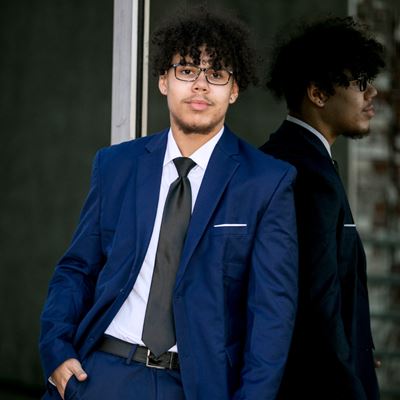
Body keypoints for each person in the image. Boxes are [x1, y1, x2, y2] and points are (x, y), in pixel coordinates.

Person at [40, 10, 298, 400]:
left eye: (216, 74)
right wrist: (57, 351)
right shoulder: (115, 165)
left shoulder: (267, 181)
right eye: (187, 70)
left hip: (196, 387)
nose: (200, 85)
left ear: (234, 89)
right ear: (164, 80)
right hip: (102, 373)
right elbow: (76, 269)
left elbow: (272, 313)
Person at [260, 16, 385, 400]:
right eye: (360, 83)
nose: (372, 93)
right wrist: (350, 383)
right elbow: (317, 309)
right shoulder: (308, 176)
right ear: (317, 93)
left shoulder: (283, 158)